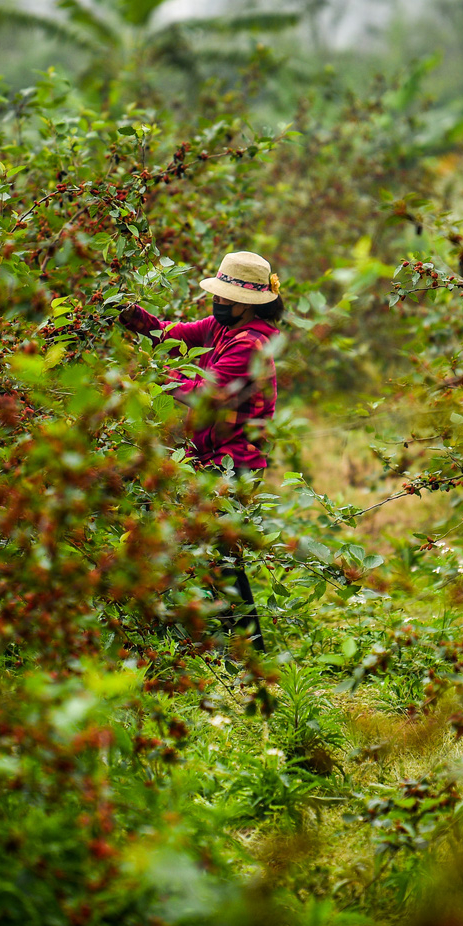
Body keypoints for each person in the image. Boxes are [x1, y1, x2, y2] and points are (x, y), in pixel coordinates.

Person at [118, 250, 284, 651]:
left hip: (234, 463)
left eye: (225, 297)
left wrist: (157, 373)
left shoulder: (252, 344)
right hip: (211, 456)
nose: (218, 302)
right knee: (210, 556)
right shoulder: (221, 326)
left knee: (222, 561)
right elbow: (169, 333)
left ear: (247, 303)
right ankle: (235, 646)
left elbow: (205, 397)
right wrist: (127, 312)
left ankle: (249, 652)